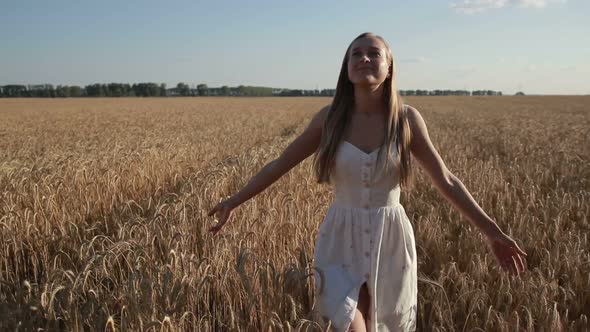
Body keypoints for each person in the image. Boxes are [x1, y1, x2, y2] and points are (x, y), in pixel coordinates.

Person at [207, 32, 527, 332]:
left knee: (383, 324)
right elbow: (279, 164)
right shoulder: (329, 119)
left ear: (389, 68)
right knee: (347, 324)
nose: (364, 58)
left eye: (374, 53)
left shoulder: (406, 120)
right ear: (347, 69)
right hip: (339, 237)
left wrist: (493, 233)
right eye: (356, 54)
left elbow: (446, 179)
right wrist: (234, 200)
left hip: (390, 240)